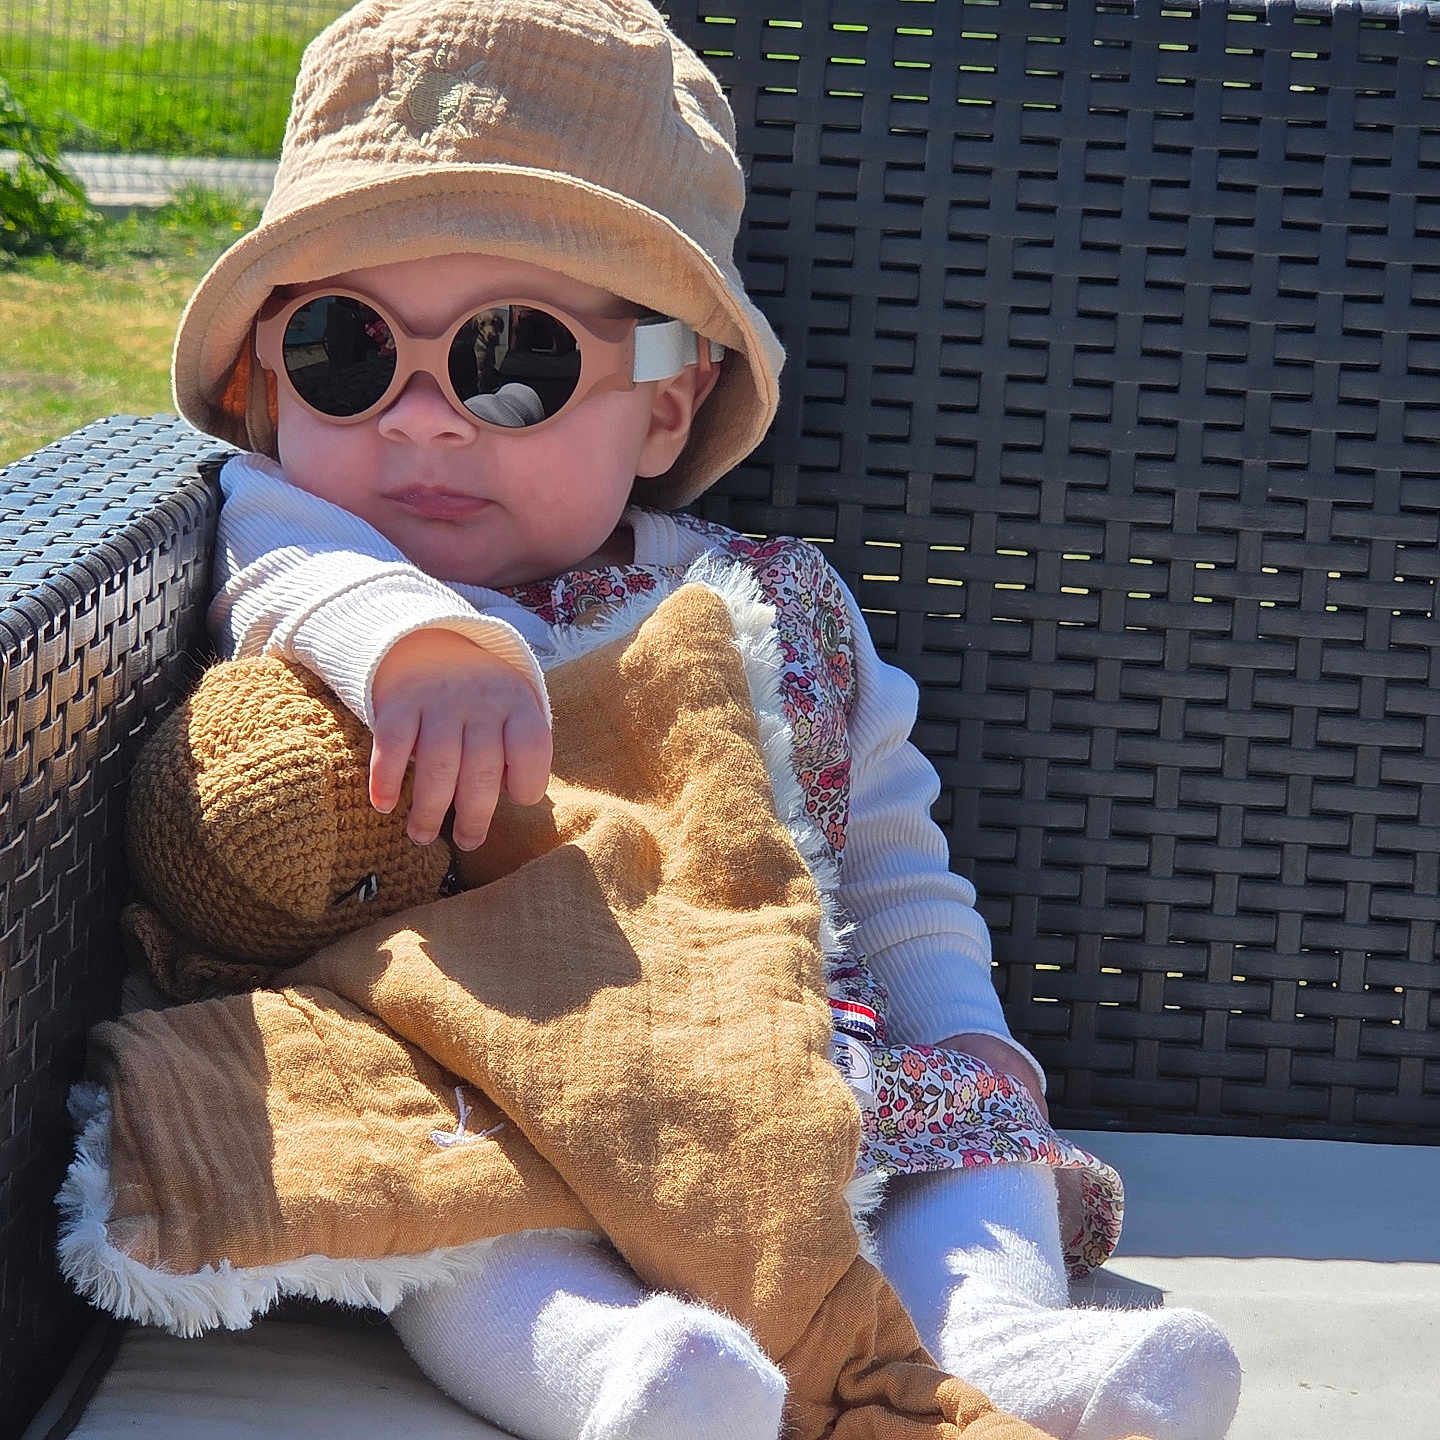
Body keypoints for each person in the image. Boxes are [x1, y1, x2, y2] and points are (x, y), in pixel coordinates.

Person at [169, 3, 1242, 1439]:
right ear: (268, 381)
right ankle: (622, 1376)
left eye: (512, 360)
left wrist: (966, 1031)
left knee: (969, 1144)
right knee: (433, 1203)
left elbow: (888, 858)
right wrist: (413, 640)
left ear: (668, 404)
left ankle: (997, 1341)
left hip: (778, 1067)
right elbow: (282, 565)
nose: (420, 419)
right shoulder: (316, 549)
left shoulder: (770, 607)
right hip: (480, 1073)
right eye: (343, 351)